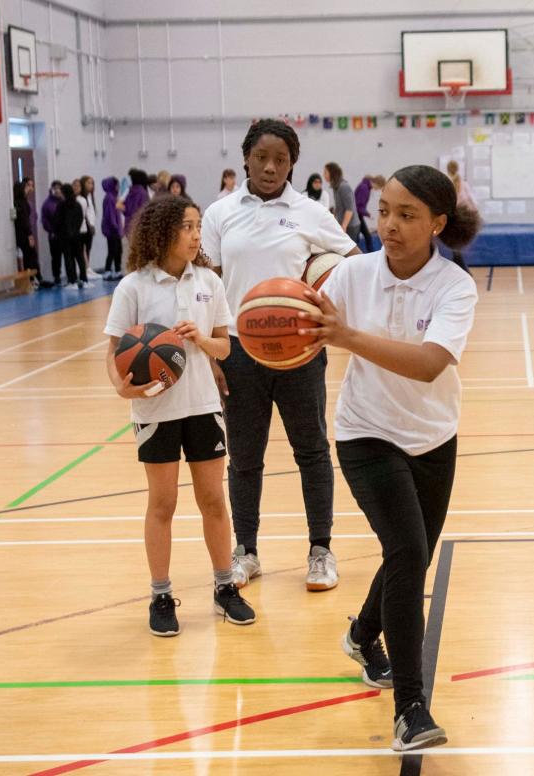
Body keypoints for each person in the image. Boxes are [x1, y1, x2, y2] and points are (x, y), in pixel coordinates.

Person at [299, 164, 479, 751]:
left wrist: (345, 337)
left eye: (407, 215)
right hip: (365, 434)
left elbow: (429, 363)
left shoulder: (454, 287)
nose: (391, 225)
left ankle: (361, 632)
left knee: (413, 557)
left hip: (433, 438)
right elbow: (298, 328)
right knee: (406, 551)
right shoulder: (351, 275)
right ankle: (410, 709)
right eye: (385, 212)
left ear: (437, 224)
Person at [200, 119, 362, 592]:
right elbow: (207, 286)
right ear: (245, 157)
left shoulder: (310, 212)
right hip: (239, 352)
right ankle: (246, 551)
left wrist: (326, 298)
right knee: (244, 457)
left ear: (293, 163)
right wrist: (211, 353)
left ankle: (321, 550)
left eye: (282, 160)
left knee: (311, 452)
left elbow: (353, 261)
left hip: (301, 350)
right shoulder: (220, 213)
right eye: (262, 158)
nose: (271, 167)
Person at [103, 195, 255, 637]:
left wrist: (201, 341)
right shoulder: (133, 286)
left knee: (213, 500)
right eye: (187, 227)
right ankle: (161, 595)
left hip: (204, 406)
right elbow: (112, 352)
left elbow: (226, 347)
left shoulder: (209, 280)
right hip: (155, 409)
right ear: (163, 231)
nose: (195, 235)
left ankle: (225, 587)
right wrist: (121, 386)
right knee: (163, 503)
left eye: (198, 227)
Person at [445, 161, 478, 268]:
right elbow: (471, 199)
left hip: (453, 216)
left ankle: (460, 266)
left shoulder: (448, 183)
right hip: (461, 215)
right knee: (456, 243)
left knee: (454, 244)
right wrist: (475, 210)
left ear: (448, 169)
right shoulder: (463, 183)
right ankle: (460, 266)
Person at [56, 183, 87, 288]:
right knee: (79, 257)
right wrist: (76, 230)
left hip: (65, 237)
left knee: (68, 258)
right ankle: (84, 279)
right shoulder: (77, 204)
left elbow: (58, 221)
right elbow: (80, 218)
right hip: (77, 235)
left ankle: (72, 280)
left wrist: (59, 232)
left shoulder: (61, 205)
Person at [12, 178, 40, 286]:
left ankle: (32, 278)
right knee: (30, 256)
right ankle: (32, 278)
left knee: (28, 256)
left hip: (22, 233)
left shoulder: (20, 202)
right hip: (24, 234)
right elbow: (24, 221)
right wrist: (30, 235)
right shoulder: (21, 203)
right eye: (26, 187)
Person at [325, 162, 360, 239]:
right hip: (343, 225)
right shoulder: (335, 187)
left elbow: (349, 209)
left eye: (325, 172)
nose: (324, 175)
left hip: (351, 226)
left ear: (332, 173)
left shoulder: (344, 187)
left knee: (349, 250)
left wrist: (343, 227)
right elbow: (339, 206)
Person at [40, 180, 64, 286]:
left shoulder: (64, 201)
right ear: (52, 189)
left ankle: (71, 276)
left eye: (59, 188)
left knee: (68, 256)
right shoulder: (47, 204)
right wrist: (52, 230)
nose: (57, 190)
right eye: (56, 188)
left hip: (66, 234)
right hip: (54, 235)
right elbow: (44, 220)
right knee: (56, 257)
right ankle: (57, 276)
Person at [101, 175, 124, 280]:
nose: (118, 187)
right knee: (112, 250)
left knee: (118, 250)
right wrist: (115, 226)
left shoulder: (114, 197)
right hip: (112, 230)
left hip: (116, 229)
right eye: (116, 185)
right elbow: (110, 215)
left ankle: (117, 270)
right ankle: (107, 270)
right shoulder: (109, 198)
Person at [354, 174, 386, 251]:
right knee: (365, 237)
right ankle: (369, 254)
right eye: (379, 187)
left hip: (358, 215)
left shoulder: (365, 186)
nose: (377, 189)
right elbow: (359, 206)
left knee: (365, 236)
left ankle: (368, 254)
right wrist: (368, 214)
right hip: (357, 215)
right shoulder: (364, 188)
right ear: (377, 183)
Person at [78, 175, 99, 279]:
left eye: (92, 183)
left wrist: (93, 224)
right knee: (84, 248)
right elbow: (84, 213)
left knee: (88, 248)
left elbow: (92, 212)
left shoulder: (90, 197)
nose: (91, 185)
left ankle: (88, 268)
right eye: (88, 183)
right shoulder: (82, 198)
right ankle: (86, 269)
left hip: (90, 225)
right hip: (84, 227)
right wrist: (89, 224)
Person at [124, 169, 151, 235]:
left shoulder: (129, 192)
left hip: (128, 224)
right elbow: (145, 211)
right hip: (139, 226)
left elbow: (125, 209)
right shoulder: (143, 193)